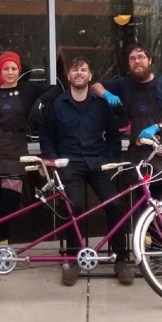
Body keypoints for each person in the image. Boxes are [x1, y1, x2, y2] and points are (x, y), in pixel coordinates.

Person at [39, 56, 132, 286]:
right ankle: (74, 260)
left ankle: (121, 259)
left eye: (83, 70)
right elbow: (46, 137)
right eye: (74, 70)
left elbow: (113, 136)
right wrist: (54, 161)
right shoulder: (57, 105)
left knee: (115, 204)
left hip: (98, 162)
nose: (79, 73)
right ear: (68, 76)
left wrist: (111, 160)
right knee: (74, 207)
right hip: (69, 163)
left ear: (90, 76)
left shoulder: (101, 103)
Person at [0, 50, 58, 243]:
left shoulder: (28, 89)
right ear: (0, 71)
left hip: (15, 150)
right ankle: (2, 244)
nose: (10, 72)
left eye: (13, 68)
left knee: (9, 203)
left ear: (19, 70)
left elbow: (55, 89)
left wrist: (40, 102)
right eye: (6, 69)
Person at [91, 42, 162, 203]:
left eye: (141, 57)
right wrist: (107, 94)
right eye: (132, 58)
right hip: (140, 161)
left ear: (149, 60)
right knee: (145, 213)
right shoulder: (125, 84)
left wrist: (157, 127)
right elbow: (95, 86)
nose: (137, 61)